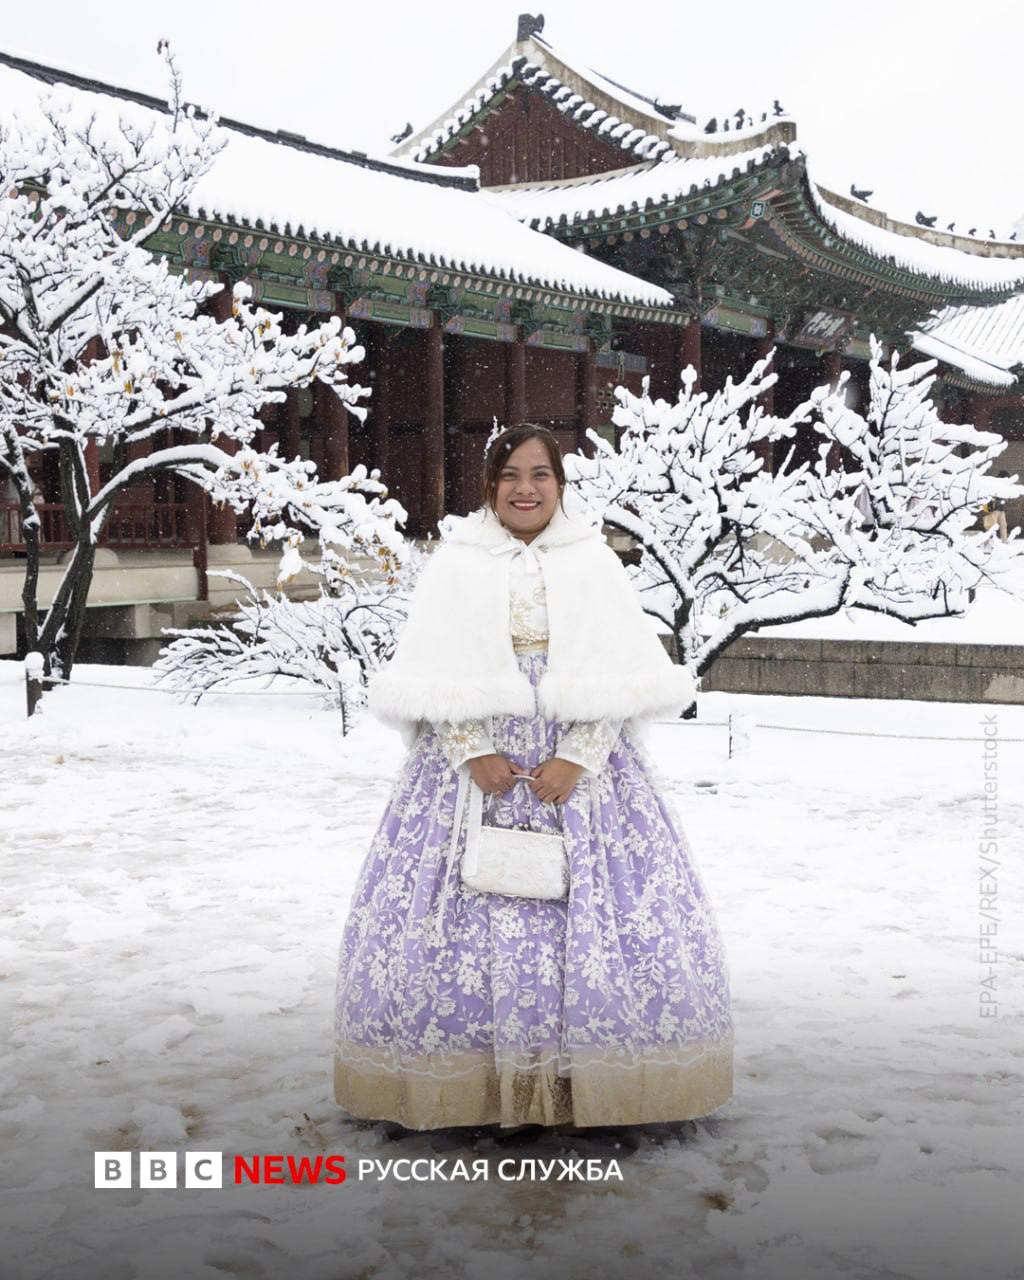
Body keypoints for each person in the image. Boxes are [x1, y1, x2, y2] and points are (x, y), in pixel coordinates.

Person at [333, 424, 733, 1133]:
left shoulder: (593, 562)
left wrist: (579, 755)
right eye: (511, 474)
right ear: (490, 485)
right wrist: (468, 749)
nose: (525, 488)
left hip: (583, 772)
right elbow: (430, 668)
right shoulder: (456, 561)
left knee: (586, 912)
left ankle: (586, 1089)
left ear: (560, 484)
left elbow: (621, 672)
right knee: (465, 913)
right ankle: (472, 1089)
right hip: (473, 773)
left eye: (540, 474)